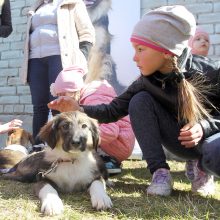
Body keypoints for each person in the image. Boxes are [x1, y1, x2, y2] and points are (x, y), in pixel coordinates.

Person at [48, 5, 220, 197]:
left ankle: (202, 169)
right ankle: (159, 173)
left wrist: (204, 126)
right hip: (178, 140)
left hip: (207, 141)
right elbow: (112, 110)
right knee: (139, 101)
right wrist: (78, 108)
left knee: (213, 150)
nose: (134, 57)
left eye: (140, 49)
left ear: (165, 51)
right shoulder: (145, 82)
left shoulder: (209, 72)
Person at [20, 0, 95, 144]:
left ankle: (63, 147)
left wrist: (81, 58)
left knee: (59, 105)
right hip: (35, 59)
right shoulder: (36, 6)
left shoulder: (72, 3)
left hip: (60, 57)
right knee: (39, 107)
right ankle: (38, 149)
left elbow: (87, 33)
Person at [49, 66, 135, 174]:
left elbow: (110, 132)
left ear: (75, 90)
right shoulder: (82, 97)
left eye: (64, 93)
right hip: (112, 143)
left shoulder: (94, 98)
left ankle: (106, 160)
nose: (61, 99)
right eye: (58, 95)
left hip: (119, 144)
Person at [185, 27, 214, 195]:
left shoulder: (213, 68)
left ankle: (203, 172)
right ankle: (192, 160)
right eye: (198, 39)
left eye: (206, 40)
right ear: (189, 44)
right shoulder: (184, 66)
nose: (204, 41)